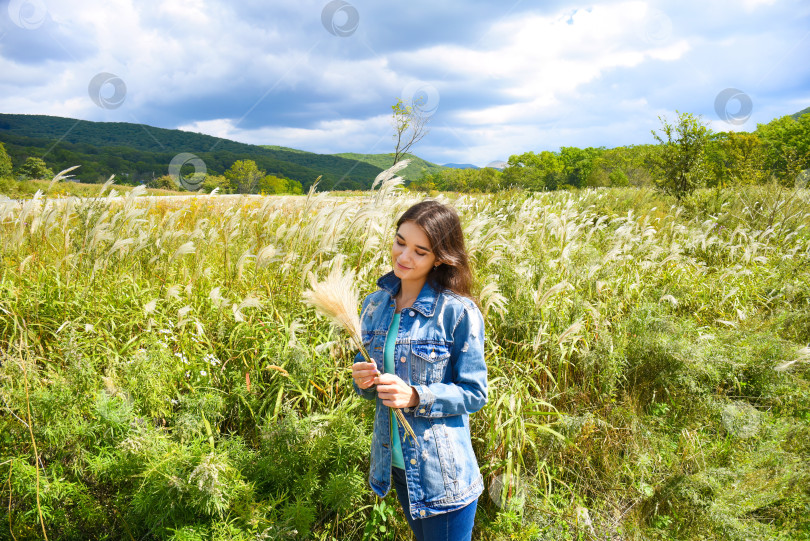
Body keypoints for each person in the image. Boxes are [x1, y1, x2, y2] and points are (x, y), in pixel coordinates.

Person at [351, 200, 488, 541]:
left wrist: (415, 395)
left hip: (442, 473)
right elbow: (371, 387)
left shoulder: (457, 312)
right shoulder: (375, 305)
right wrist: (363, 380)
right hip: (396, 467)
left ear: (440, 257)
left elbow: (474, 392)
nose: (403, 257)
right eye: (400, 242)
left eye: (419, 251)